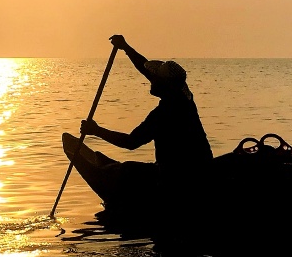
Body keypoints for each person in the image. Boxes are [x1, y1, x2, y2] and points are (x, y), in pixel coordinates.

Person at [65, 34, 212, 183]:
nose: (151, 79)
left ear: (165, 85)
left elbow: (131, 142)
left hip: (178, 176)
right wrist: (125, 47)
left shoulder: (163, 114)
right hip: (203, 167)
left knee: (127, 169)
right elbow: (145, 68)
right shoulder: (184, 97)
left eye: (156, 78)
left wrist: (96, 131)